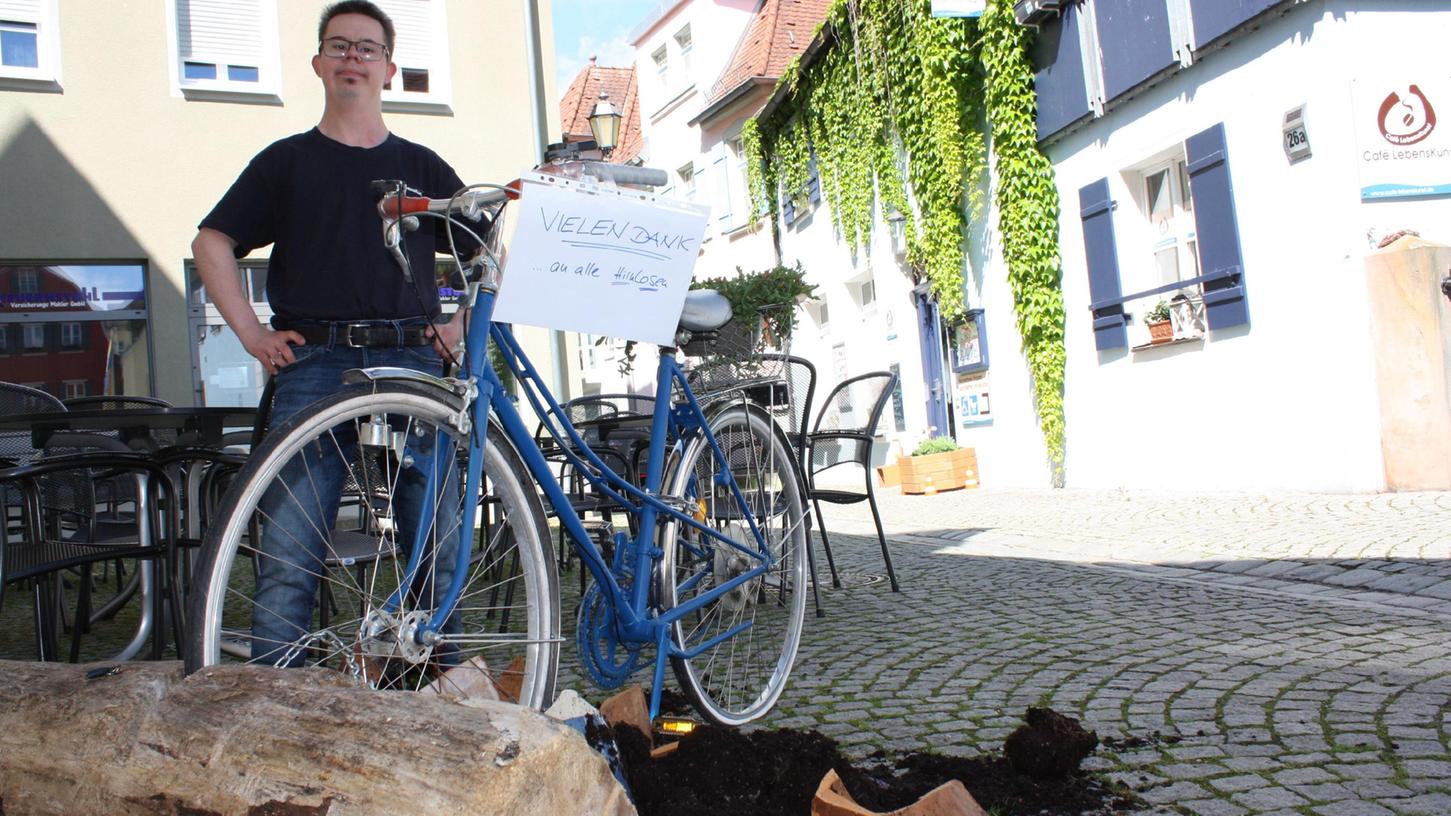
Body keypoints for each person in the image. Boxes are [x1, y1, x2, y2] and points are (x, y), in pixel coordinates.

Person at [192, 0, 476, 667]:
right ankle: (274, 706)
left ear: (388, 69)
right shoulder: (285, 163)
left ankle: (450, 701)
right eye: (339, 46)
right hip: (314, 361)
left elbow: (489, 249)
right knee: (289, 553)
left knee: (437, 545)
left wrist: (458, 323)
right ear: (319, 63)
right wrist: (250, 332)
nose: (352, 57)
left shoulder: (424, 168)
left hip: (413, 356)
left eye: (366, 48)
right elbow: (212, 241)